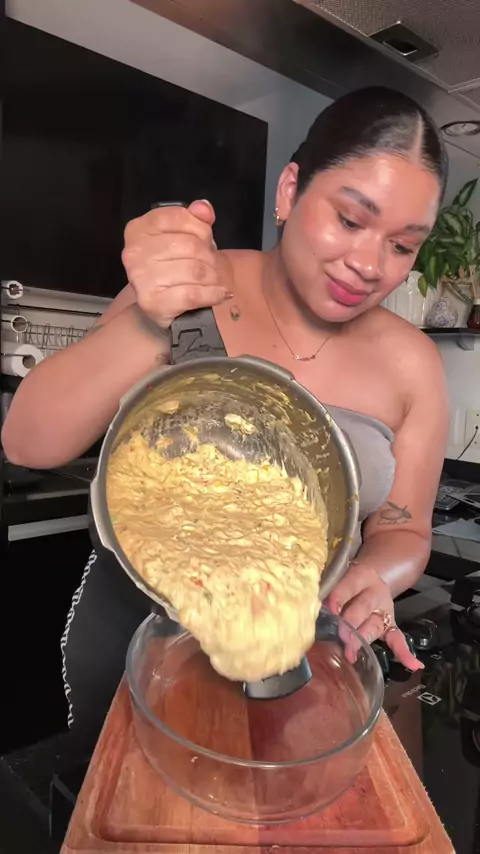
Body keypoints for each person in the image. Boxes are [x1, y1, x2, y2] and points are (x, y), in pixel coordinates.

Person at [2, 86, 450, 740]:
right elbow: (28, 442)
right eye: (351, 220)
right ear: (290, 190)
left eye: (403, 246)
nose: (369, 265)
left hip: (293, 659)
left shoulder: (413, 364)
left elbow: (405, 533)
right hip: (133, 646)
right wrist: (150, 322)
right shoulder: (189, 288)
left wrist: (373, 576)